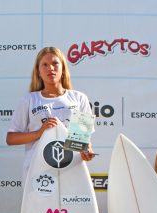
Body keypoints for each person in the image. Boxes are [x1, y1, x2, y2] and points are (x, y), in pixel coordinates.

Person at [6, 46, 95, 178]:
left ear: (63, 69)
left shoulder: (79, 98)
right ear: (38, 71)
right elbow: (11, 138)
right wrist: (39, 133)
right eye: (45, 65)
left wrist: (86, 151)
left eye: (55, 63)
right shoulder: (29, 99)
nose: (50, 68)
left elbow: (83, 141)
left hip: (71, 169)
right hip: (38, 171)